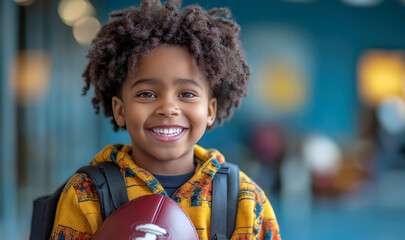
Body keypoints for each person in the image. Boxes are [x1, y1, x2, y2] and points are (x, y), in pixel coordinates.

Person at [50, 0, 281, 239]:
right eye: (147, 94)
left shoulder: (244, 198)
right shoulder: (87, 194)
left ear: (210, 110)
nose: (169, 108)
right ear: (120, 110)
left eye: (187, 94)